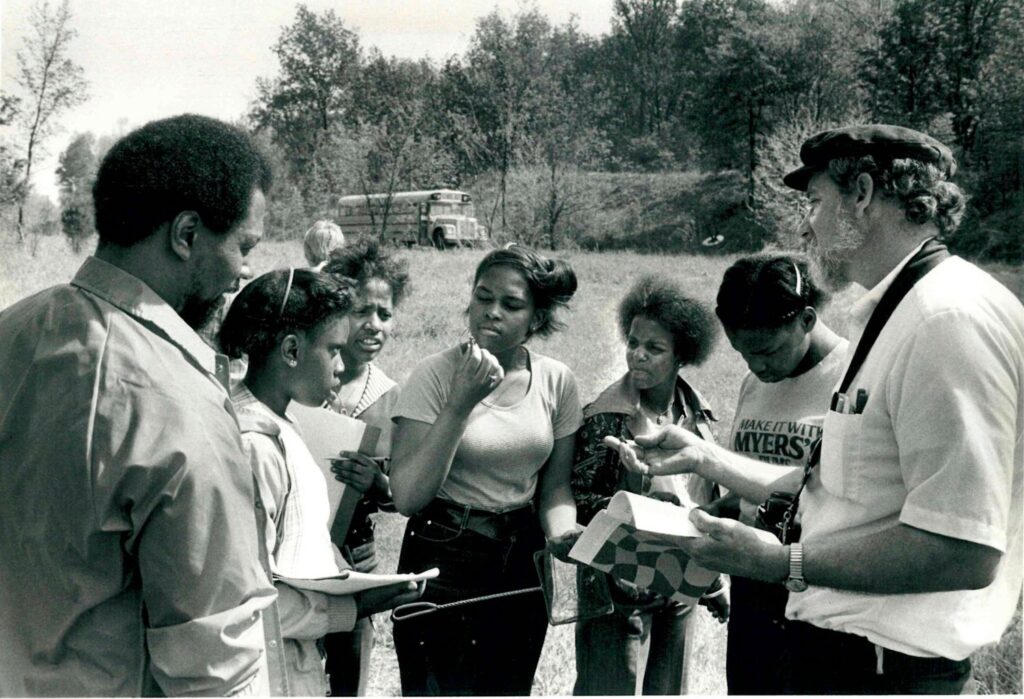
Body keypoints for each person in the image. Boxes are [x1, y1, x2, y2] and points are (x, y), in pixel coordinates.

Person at [610, 124, 1023, 694]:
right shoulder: (905, 310)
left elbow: (964, 550)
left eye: (815, 201)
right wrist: (704, 457)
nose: (806, 224)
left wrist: (784, 563)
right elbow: (844, 489)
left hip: (883, 668)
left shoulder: (944, 320)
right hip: (850, 658)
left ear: (862, 193)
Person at [0, 114, 280, 695]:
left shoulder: (13, 331)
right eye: (244, 247)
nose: (245, 273)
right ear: (186, 235)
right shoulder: (179, 403)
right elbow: (214, 664)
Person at [389, 245, 583, 696]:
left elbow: (555, 489)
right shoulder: (434, 376)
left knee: (507, 688)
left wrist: (562, 535)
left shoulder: (557, 381)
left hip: (520, 560)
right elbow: (407, 497)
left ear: (535, 318)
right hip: (443, 553)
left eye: (511, 304)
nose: (491, 312)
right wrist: (461, 402)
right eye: (483, 297)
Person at [220, 268, 422, 696]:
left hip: (293, 660)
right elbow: (246, 599)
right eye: (333, 349)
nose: (342, 363)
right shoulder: (254, 444)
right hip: (266, 674)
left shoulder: (287, 424)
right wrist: (350, 607)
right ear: (291, 349)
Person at [570, 275, 728, 696]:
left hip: (680, 582)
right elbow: (581, 503)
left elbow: (708, 498)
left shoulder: (697, 414)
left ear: (682, 357)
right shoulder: (604, 417)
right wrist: (636, 493)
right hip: (617, 586)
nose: (637, 356)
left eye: (654, 348)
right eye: (633, 343)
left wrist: (712, 580)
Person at [713, 253, 847, 694]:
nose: (757, 367)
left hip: (817, 584)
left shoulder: (850, 379)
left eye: (768, 351)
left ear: (807, 319)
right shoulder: (757, 382)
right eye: (744, 354)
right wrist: (708, 513)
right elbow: (752, 486)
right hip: (752, 585)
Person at [320, 238, 412, 696]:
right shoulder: (303, 377)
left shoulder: (394, 397)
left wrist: (377, 483)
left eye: (385, 314)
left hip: (355, 558)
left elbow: (404, 492)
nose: (374, 325)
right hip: (289, 554)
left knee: (349, 671)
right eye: (361, 311)